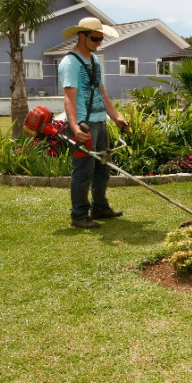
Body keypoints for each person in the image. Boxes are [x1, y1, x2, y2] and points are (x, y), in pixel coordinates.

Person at [59, 17, 130, 229]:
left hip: (101, 122)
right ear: (82, 36)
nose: (99, 42)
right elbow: (69, 98)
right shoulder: (70, 63)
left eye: (101, 38)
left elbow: (101, 91)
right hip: (84, 125)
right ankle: (79, 215)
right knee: (83, 171)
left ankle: (99, 207)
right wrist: (74, 127)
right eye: (95, 38)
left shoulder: (94, 61)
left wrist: (116, 117)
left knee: (102, 168)